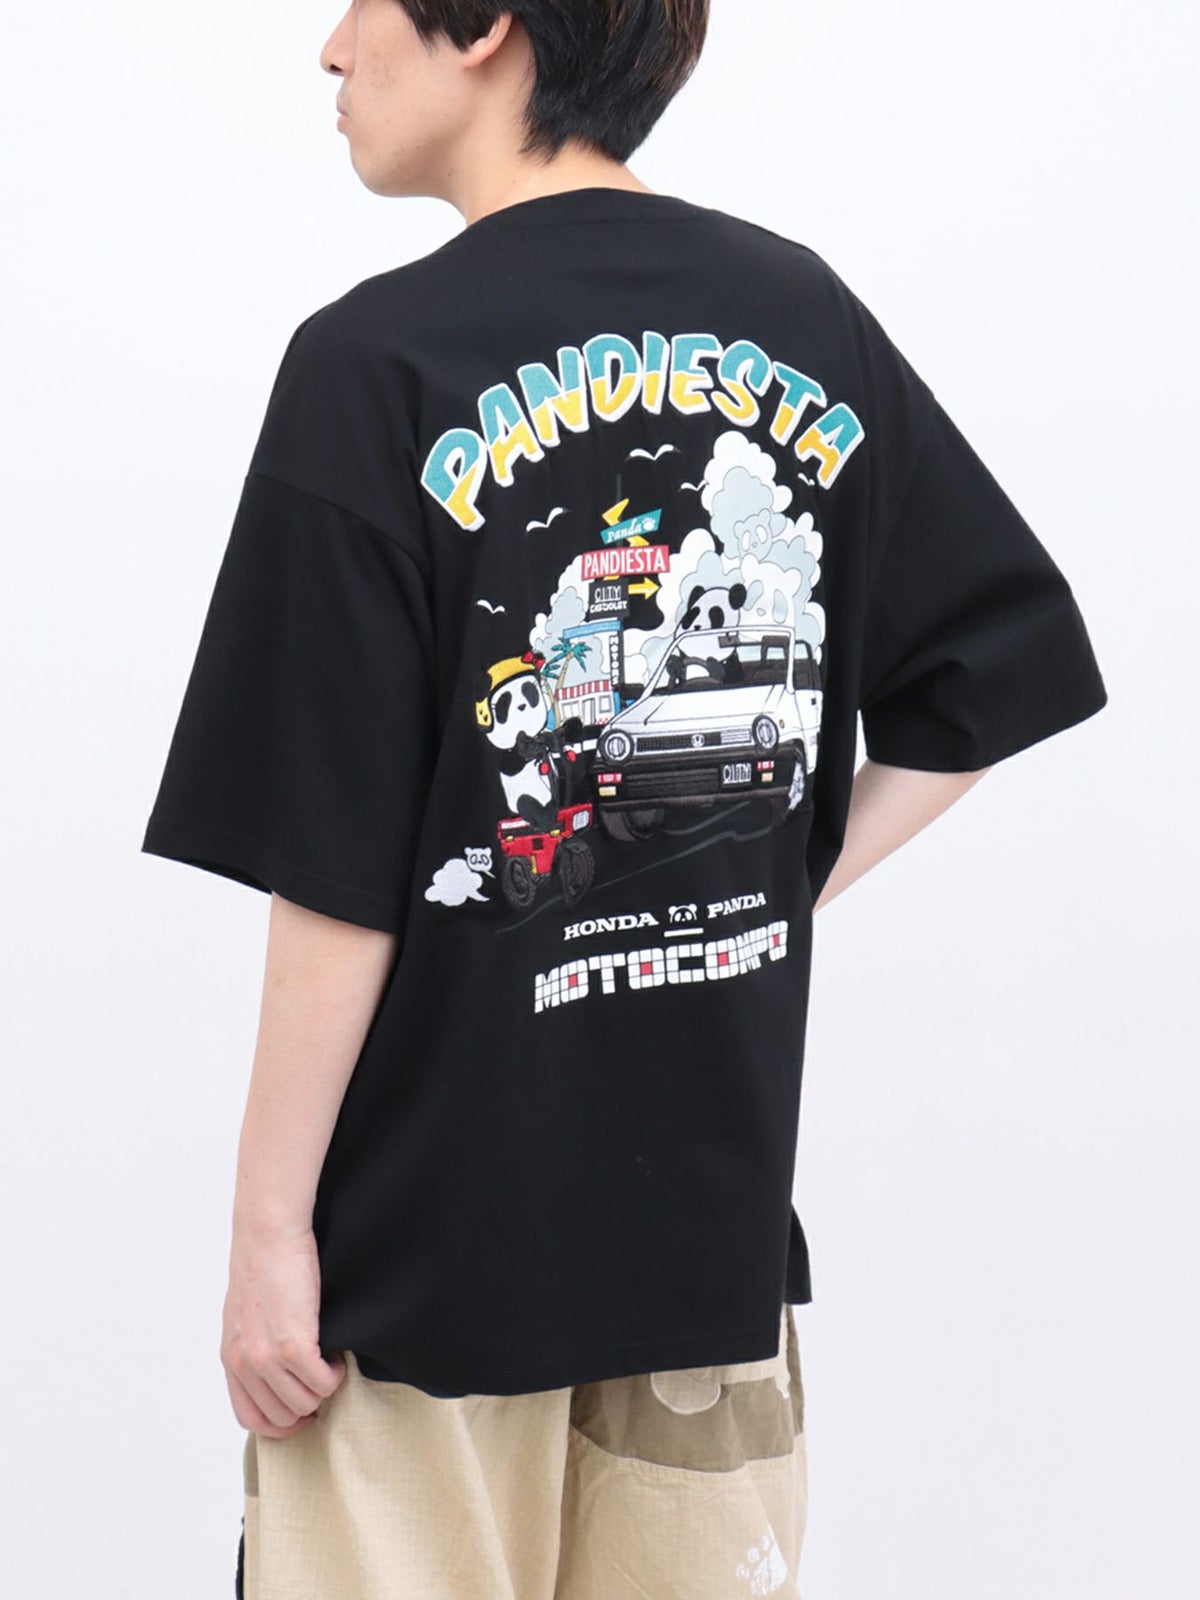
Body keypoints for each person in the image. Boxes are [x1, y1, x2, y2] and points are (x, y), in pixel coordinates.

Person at [139, 3, 1110, 1596]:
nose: (330, 48)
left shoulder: (373, 363)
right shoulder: (804, 317)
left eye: (362, 1)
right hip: (706, 1258)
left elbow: (336, 865)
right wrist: (764, 871)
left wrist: (265, 1239)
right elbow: (990, 678)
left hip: (422, 1268)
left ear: (483, 27)